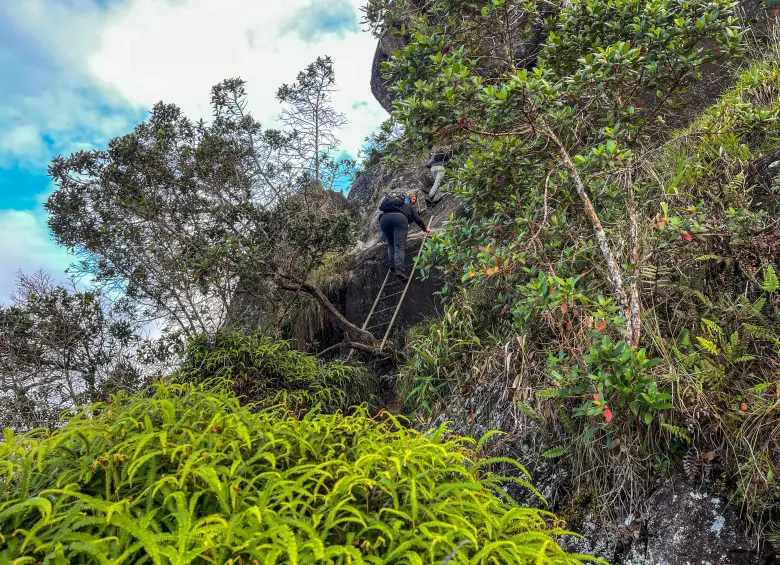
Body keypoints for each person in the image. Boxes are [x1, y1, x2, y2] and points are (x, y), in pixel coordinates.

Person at [380, 191, 431, 281]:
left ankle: (392, 265)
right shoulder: (408, 206)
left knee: (391, 243)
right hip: (399, 220)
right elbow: (417, 219)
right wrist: (424, 228)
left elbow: (380, 216)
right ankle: (399, 270)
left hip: (384, 219)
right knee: (399, 246)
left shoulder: (389, 207)